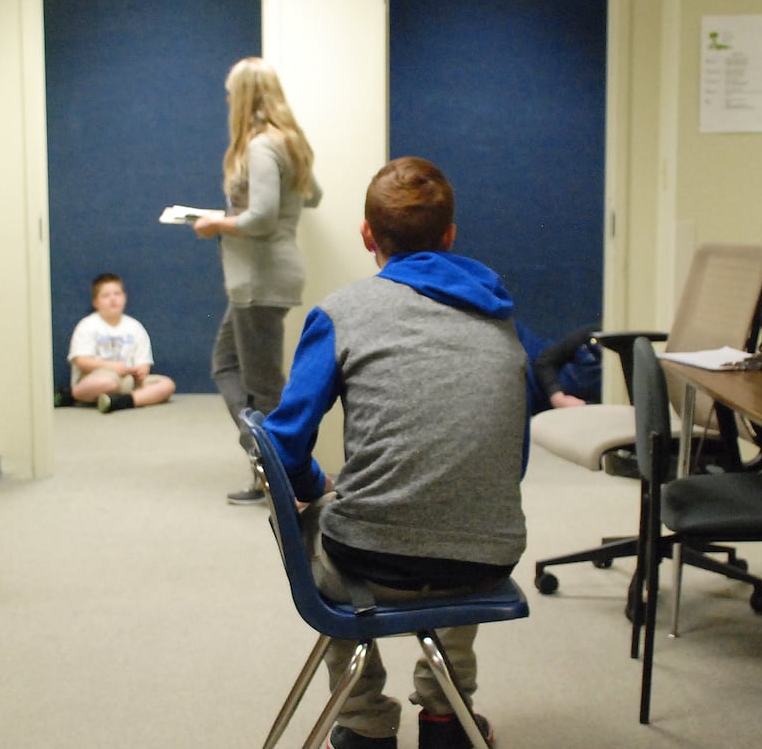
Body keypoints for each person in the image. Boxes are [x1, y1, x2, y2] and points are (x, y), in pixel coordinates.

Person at [262, 157, 528, 749]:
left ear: (366, 236)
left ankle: (362, 720)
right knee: (459, 523)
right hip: (485, 562)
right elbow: (512, 457)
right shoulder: (501, 318)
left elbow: (283, 445)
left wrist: (317, 486)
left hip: (369, 560)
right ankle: (447, 716)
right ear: (451, 237)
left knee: (313, 523)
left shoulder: (342, 313)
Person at [192, 57, 322, 504]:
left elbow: (264, 219)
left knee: (264, 387)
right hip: (259, 280)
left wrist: (218, 223)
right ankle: (266, 458)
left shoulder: (263, 147)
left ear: (244, 97)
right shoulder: (287, 143)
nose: (228, 101)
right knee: (228, 366)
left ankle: (279, 472)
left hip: (260, 281)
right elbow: (313, 194)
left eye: (232, 94)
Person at [66, 273, 176, 413]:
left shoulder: (135, 327)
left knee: (167, 385)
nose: (113, 299)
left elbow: (143, 363)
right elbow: (82, 361)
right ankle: (72, 395)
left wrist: (141, 370)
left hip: (128, 382)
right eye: (105, 296)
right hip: (95, 379)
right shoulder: (87, 325)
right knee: (108, 383)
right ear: (96, 302)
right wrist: (112, 367)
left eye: (117, 294)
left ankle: (121, 402)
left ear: (124, 297)